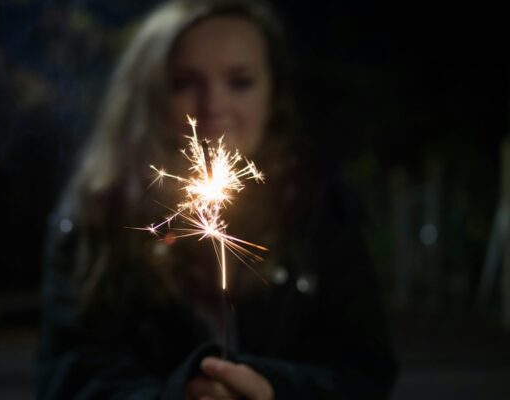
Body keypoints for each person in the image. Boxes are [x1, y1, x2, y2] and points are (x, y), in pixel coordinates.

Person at [35, 0, 398, 399]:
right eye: (184, 83)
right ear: (148, 96)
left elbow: (364, 374)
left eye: (240, 81)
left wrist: (273, 389)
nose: (212, 106)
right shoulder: (96, 219)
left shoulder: (319, 215)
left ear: (273, 95)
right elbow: (69, 379)